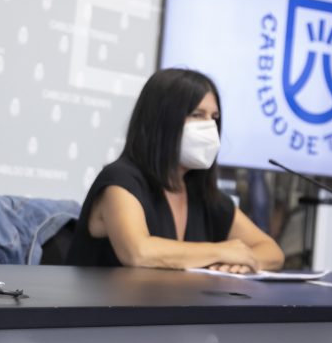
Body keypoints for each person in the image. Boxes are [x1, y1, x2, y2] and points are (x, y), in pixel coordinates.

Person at [66, 69, 284, 272]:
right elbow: (138, 253)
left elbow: (272, 252)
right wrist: (221, 251)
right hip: (101, 311)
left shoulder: (202, 194)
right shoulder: (120, 181)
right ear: (161, 121)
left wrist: (243, 263)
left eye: (214, 118)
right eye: (198, 115)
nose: (210, 127)